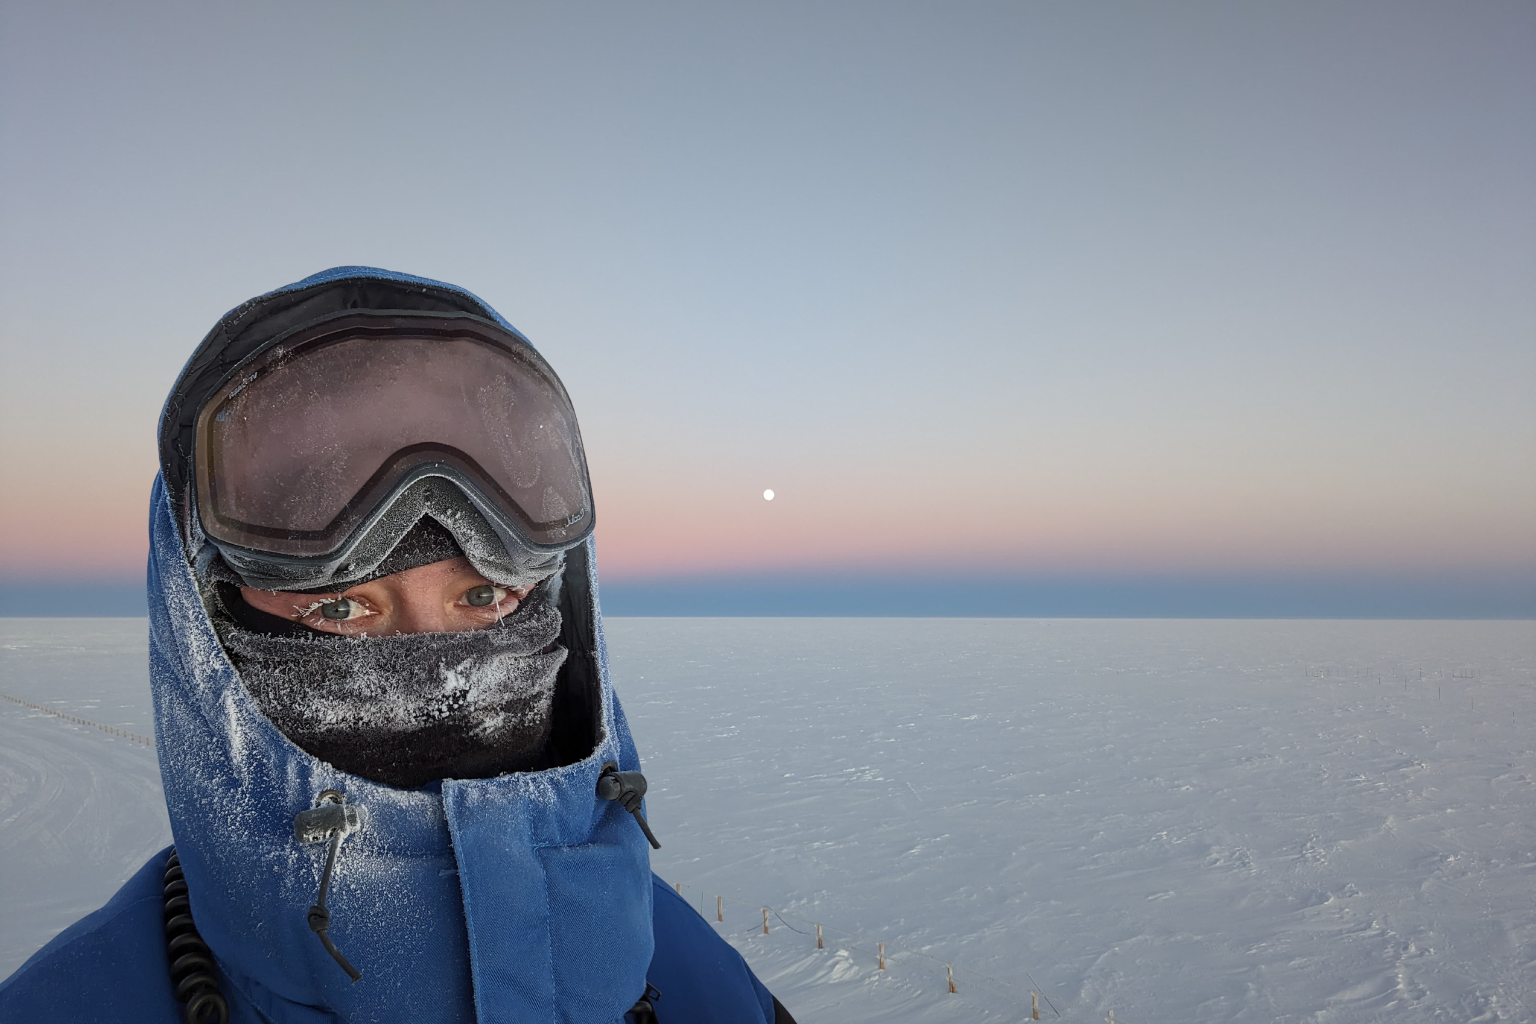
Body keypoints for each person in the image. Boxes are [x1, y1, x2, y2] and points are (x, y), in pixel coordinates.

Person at [0, 267, 796, 1024]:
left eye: (483, 597)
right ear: (201, 625)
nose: (442, 669)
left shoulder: (708, 984)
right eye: (341, 608)